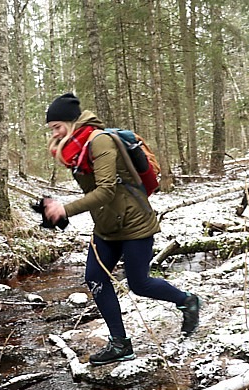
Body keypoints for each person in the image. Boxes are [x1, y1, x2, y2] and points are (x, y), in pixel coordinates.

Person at [43, 93, 200, 366]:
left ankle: (187, 301)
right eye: (51, 129)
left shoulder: (100, 141)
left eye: (57, 126)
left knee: (139, 284)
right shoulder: (76, 150)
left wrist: (65, 210)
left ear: (71, 122)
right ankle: (120, 344)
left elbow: (105, 190)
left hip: (134, 223)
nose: (54, 133)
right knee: (95, 279)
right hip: (107, 226)